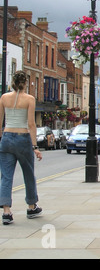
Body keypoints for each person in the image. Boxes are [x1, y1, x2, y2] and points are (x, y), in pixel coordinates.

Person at [0, 71, 43, 225]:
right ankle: (31, 207)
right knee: (28, 173)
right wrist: (35, 146)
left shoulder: (4, 97)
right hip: (23, 138)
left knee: (6, 176)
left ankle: (6, 211)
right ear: (25, 83)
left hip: (6, 137)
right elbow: (31, 124)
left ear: (13, 81)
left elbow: (0, 121)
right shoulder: (29, 99)